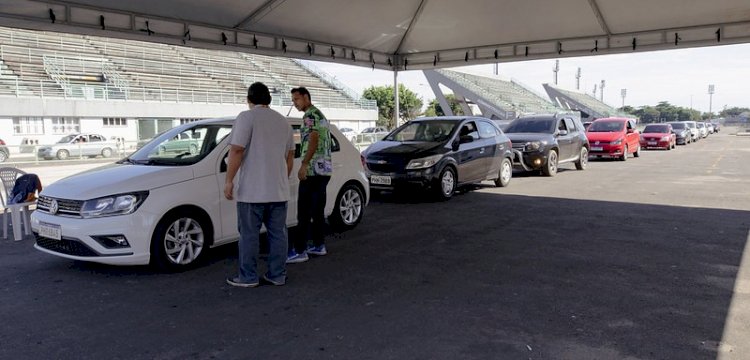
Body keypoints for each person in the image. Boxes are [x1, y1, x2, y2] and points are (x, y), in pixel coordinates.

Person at [225, 82, 295, 287]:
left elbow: (236, 150)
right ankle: (277, 275)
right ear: (269, 99)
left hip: (252, 192)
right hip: (279, 191)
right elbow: (290, 156)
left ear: (249, 99)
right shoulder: (283, 121)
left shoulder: (246, 117)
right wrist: (281, 177)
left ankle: (248, 277)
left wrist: (229, 180)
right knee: (278, 235)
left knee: (249, 235)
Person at [287, 87, 333, 264]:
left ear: (306, 97)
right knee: (317, 210)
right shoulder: (319, 114)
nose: (295, 103)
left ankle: (300, 250)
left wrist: (304, 164)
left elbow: (313, 139)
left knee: (304, 211)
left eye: (297, 99)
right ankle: (319, 245)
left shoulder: (309, 116)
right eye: (293, 100)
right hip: (324, 169)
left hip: (313, 170)